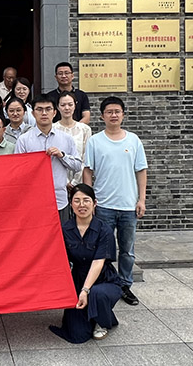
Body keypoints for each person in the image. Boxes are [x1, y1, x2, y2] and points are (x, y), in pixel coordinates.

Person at [83, 96, 148, 307]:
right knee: (102, 249)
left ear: (123, 115)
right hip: (103, 206)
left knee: (127, 250)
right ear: (102, 116)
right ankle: (104, 283)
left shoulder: (133, 140)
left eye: (117, 111)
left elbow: (141, 171)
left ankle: (125, 286)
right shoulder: (95, 141)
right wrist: (90, 201)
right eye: (109, 112)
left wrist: (141, 200)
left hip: (128, 206)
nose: (113, 115)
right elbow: (87, 171)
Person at [49, 184, 121, 344]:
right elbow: (58, 258)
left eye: (86, 200)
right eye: (77, 201)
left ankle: (101, 322)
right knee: (78, 335)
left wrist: (85, 290)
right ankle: (103, 314)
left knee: (97, 293)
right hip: (78, 278)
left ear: (94, 203)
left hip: (104, 279)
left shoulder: (104, 230)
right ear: (71, 204)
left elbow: (98, 262)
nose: (81, 205)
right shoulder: (64, 229)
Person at [15, 95, 81, 223]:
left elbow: (77, 165)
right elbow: (18, 171)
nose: (44, 113)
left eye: (48, 109)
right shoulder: (24, 140)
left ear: (54, 112)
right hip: (33, 201)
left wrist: (62, 156)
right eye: (39, 109)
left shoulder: (66, 139)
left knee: (62, 234)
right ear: (33, 113)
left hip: (59, 200)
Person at [54, 91, 92, 186]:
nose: (67, 108)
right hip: (58, 180)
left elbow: (85, 158)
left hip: (80, 180)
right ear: (58, 107)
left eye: (70, 104)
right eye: (63, 105)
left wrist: (75, 182)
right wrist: (65, 182)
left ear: (75, 105)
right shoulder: (53, 129)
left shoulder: (85, 129)